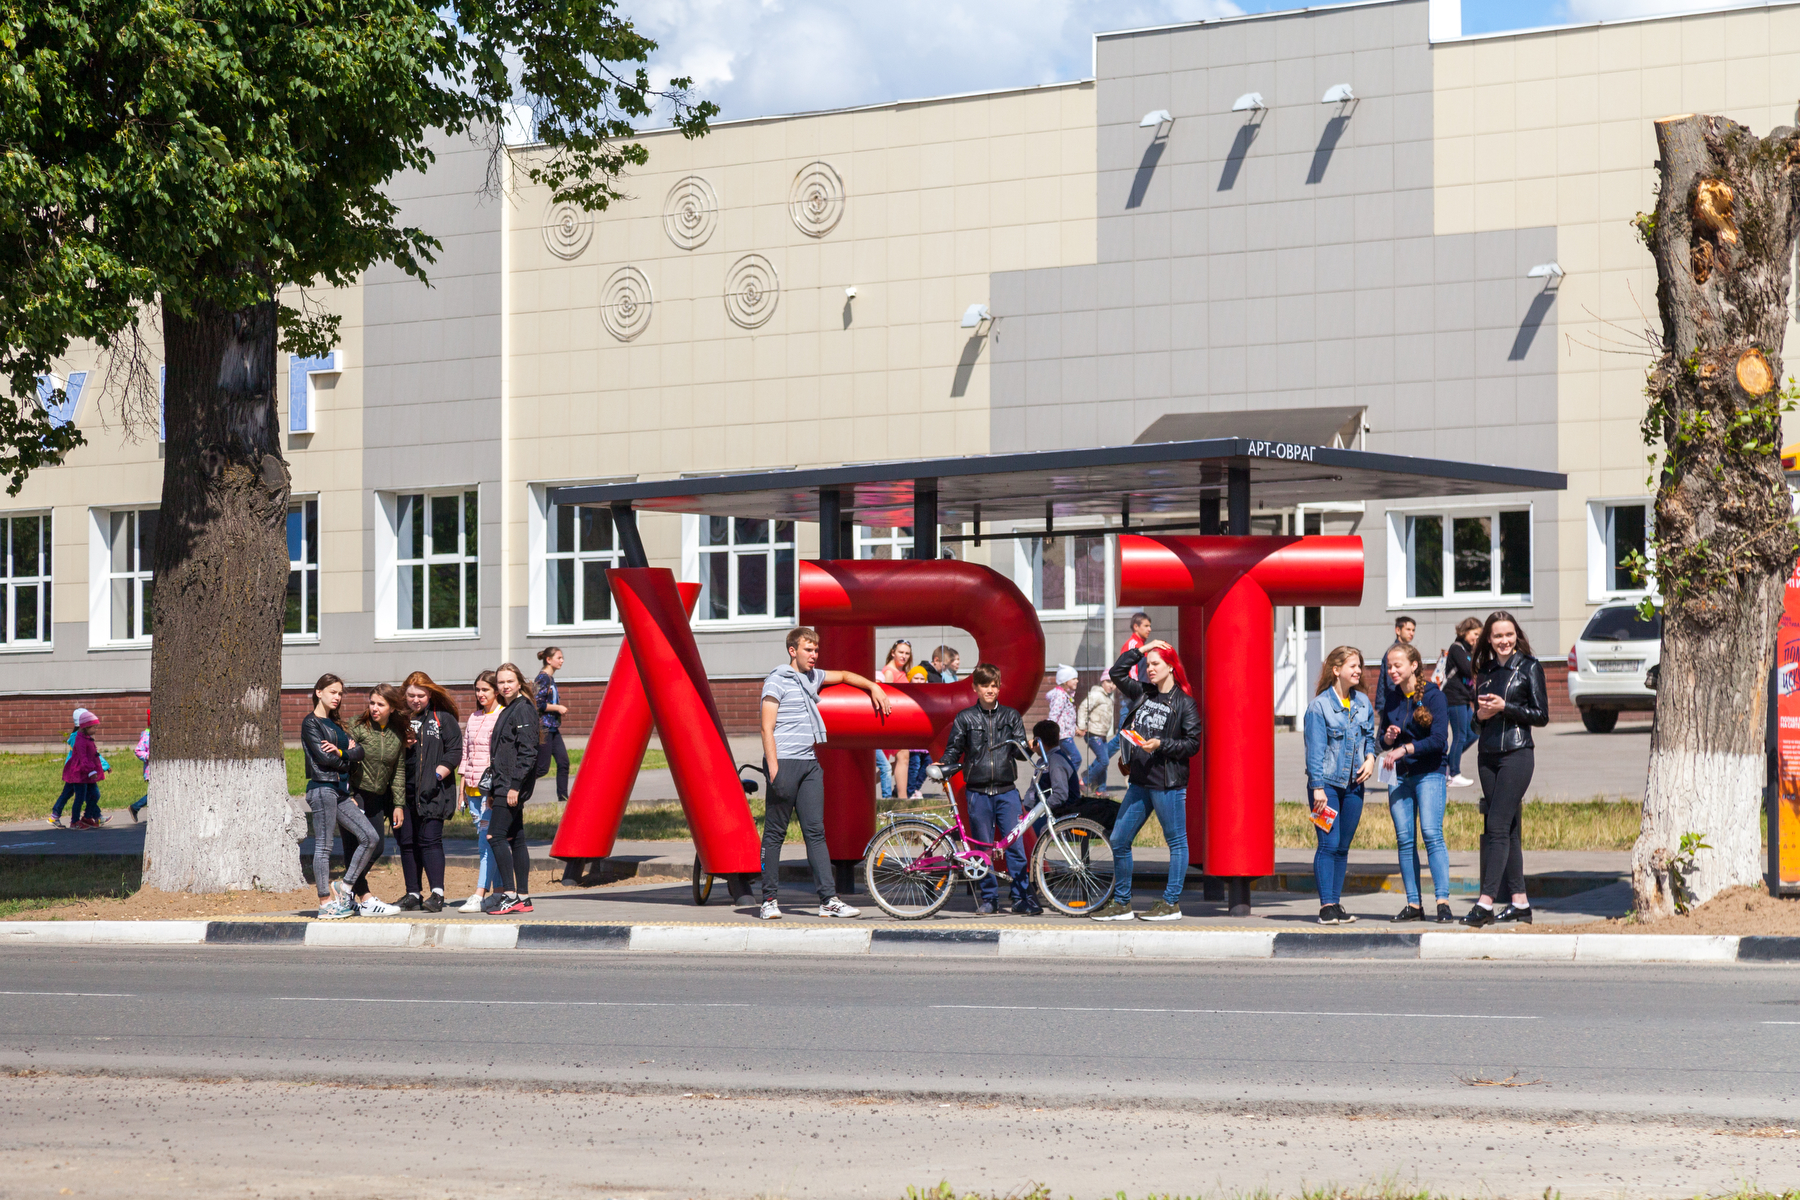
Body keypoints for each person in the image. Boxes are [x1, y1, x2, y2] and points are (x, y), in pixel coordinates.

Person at [756, 626, 890, 920]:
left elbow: (843, 674)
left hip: (809, 764)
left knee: (815, 832)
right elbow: (766, 727)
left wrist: (873, 686)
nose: (814, 655)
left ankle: (828, 899)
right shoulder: (776, 680)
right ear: (793, 651)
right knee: (775, 834)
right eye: (808, 650)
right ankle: (768, 900)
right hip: (784, 763)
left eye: (816, 650)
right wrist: (774, 767)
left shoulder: (813, 677)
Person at [1092, 640, 1199, 922]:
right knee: (1119, 839)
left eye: (1155, 664)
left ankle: (1171, 903)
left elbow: (1192, 744)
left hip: (1167, 784)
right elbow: (1117, 673)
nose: (1149, 669)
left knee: (1176, 842)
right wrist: (1144, 648)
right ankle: (1122, 903)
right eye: (1147, 664)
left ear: (1171, 667)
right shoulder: (1143, 693)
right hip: (1139, 782)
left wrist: (1161, 745)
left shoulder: (1184, 703)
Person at [1464, 611, 1548, 928]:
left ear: (1517, 635)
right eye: (1498, 636)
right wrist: (1483, 716)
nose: (1504, 641)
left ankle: (1485, 903)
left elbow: (1541, 715)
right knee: (1508, 829)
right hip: (1487, 755)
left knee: (1496, 825)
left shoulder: (1529, 666)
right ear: (1489, 638)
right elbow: (1475, 721)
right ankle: (1520, 902)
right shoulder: (1483, 671)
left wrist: (1504, 707)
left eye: (1509, 635)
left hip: (1517, 753)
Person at [940, 663, 1036, 916]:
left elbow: (1019, 752)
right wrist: (944, 764)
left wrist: (1029, 747)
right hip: (977, 792)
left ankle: (1020, 897)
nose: (990, 690)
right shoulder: (965, 718)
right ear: (975, 688)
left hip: (1007, 791)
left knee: (1015, 848)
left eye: (994, 685)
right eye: (985, 685)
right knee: (981, 849)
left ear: (999, 687)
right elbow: (954, 749)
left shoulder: (1011, 716)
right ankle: (989, 899)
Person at [1304, 647, 1377, 925]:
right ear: (1336, 670)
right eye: (1352, 666)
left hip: (1355, 787)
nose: (1358, 671)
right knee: (1328, 844)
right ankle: (1326, 907)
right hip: (1325, 789)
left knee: (1343, 846)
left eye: (1359, 666)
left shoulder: (1362, 704)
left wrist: (1370, 758)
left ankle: (1336, 903)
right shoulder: (1319, 707)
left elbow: (1370, 736)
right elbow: (1314, 752)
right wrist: (1318, 789)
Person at [1380, 642, 1451, 923]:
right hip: (1399, 776)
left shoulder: (1434, 696)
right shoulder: (1392, 698)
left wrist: (1405, 748)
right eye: (1388, 666)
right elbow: (1382, 739)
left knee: (1432, 834)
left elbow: (1439, 741)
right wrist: (1387, 739)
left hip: (1430, 772)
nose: (1392, 671)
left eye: (1397, 665)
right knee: (1405, 840)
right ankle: (1413, 904)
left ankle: (1442, 902)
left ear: (1413, 665)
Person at [301, 674, 378, 919]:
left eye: (340, 693)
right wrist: (346, 758)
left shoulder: (336, 725)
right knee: (324, 845)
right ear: (318, 692)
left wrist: (343, 752)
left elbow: (360, 752)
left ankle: (344, 887)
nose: (337, 697)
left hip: (341, 791)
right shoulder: (311, 723)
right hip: (322, 787)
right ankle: (325, 902)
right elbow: (325, 759)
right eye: (333, 692)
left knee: (370, 837)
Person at [340, 684, 407, 916]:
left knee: (376, 847)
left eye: (381, 704)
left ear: (392, 707)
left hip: (377, 797)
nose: (375, 708)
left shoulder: (396, 734)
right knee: (354, 848)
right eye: (372, 703)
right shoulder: (357, 727)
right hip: (354, 795)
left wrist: (398, 804)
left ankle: (347, 890)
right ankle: (363, 898)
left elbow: (398, 770)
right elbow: (343, 762)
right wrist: (348, 796)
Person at [400, 671, 462, 912]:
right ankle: (413, 893)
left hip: (434, 792)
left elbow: (455, 750)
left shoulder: (442, 718)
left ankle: (437, 893)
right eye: (411, 695)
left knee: (430, 841)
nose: (416, 700)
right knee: (407, 843)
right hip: (403, 793)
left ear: (430, 694)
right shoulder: (399, 718)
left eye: (421, 695)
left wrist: (438, 774)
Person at [485, 662, 538, 914]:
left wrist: (514, 787)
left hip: (512, 786)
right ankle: (524, 897)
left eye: (509, 681)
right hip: (503, 785)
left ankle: (509, 894)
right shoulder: (510, 708)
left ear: (519, 682)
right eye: (501, 682)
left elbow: (528, 752)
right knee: (516, 838)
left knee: (494, 836)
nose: (505, 686)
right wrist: (495, 791)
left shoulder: (523, 710)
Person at [458, 671, 502, 912]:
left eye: (485, 689)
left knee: (487, 842)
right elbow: (466, 755)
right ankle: (500, 891)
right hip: (472, 791)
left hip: (490, 791)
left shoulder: (501, 716)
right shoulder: (473, 718)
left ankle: (479, 893)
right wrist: (461, 789)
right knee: (485, 842)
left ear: (496, 691)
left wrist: (497, 789)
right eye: (477, 689)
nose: (480, 694)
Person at [50, 708, 105, 829]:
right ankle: (74, 821)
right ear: (85, 727)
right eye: (94, 727)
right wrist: (91, 770)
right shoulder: (80, 740)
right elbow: (83, 758)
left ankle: (87, 817)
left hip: (87, 773)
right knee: (79, 798)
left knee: (95, 794)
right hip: (79, 773)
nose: (96, 730)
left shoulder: (87, 738)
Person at [1443, 617, 1481, 788]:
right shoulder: (1457, 648)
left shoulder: (1468, 651)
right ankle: (1454, 774)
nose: (1477, 638)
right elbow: (1469, 670)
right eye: (1475, 634)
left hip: (1464, 698)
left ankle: (1447, 764)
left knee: (1474, 732)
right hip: (1454, 698)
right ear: (1465, 632)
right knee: (1460, 735)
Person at [880, 640, 921, 800]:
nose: (904, 656)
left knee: (894, 762)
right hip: (894, 721)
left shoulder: (900, 671)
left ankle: (901, 796)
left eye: (907, 653)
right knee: (902, 756)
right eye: (901, 652)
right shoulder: (889, 672)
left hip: (901, 720)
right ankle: (903, 799)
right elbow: (887, 698)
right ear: (893, 652)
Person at [534, 646, 571, 803]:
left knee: (563, 762)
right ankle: (515, 788)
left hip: (553, 727)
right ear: (548, 660)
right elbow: (538, 703)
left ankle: (563, 799)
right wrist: (557, 707)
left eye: (562, 658)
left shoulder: (550, 678)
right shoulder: (543, 678)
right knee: (542, 768)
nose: (562, 661)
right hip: (544, 727)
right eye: (559, 658)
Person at [1076, 677, 1117, 796]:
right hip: (1093, 734)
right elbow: (1084, 707)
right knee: (1104, 761)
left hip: (1101, 734)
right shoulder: (1096, 695)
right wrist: (1082, 726)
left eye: (1114, 683)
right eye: (1108, 682)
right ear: (1102, 682)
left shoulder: (1107, 697)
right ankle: (1085, 780)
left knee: (1104, 761)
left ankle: (1101, 789)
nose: (1111, 685)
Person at [1373, 615, 1417, 712]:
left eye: (1413, 630)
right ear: (1398, 630)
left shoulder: (1406, 651)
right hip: (1390, 704)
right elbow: (1392, 683)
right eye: (1408, 629)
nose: (1411, 633)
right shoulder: (1393, 653)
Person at [1046, 665, 1082, 774]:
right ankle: (1068, 781)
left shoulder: (1066, 695)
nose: (1077, 681)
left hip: (1065, 734)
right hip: (1063, 735)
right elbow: (1054, 714)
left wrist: (1075, 728)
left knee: (1063, 760)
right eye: (1074, 678)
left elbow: (1067, 716)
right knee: (1076, 758)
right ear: (1066, 681)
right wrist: (1049, 732)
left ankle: (1061, 780)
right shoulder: (1060, 695)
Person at [128, 709, 150, 821]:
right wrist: (148, 756)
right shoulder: (147, 735)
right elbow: (138, 751)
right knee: (155, 794)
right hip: (151, 771)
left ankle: (135, 807)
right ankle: (135, 807)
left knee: (155, 794)